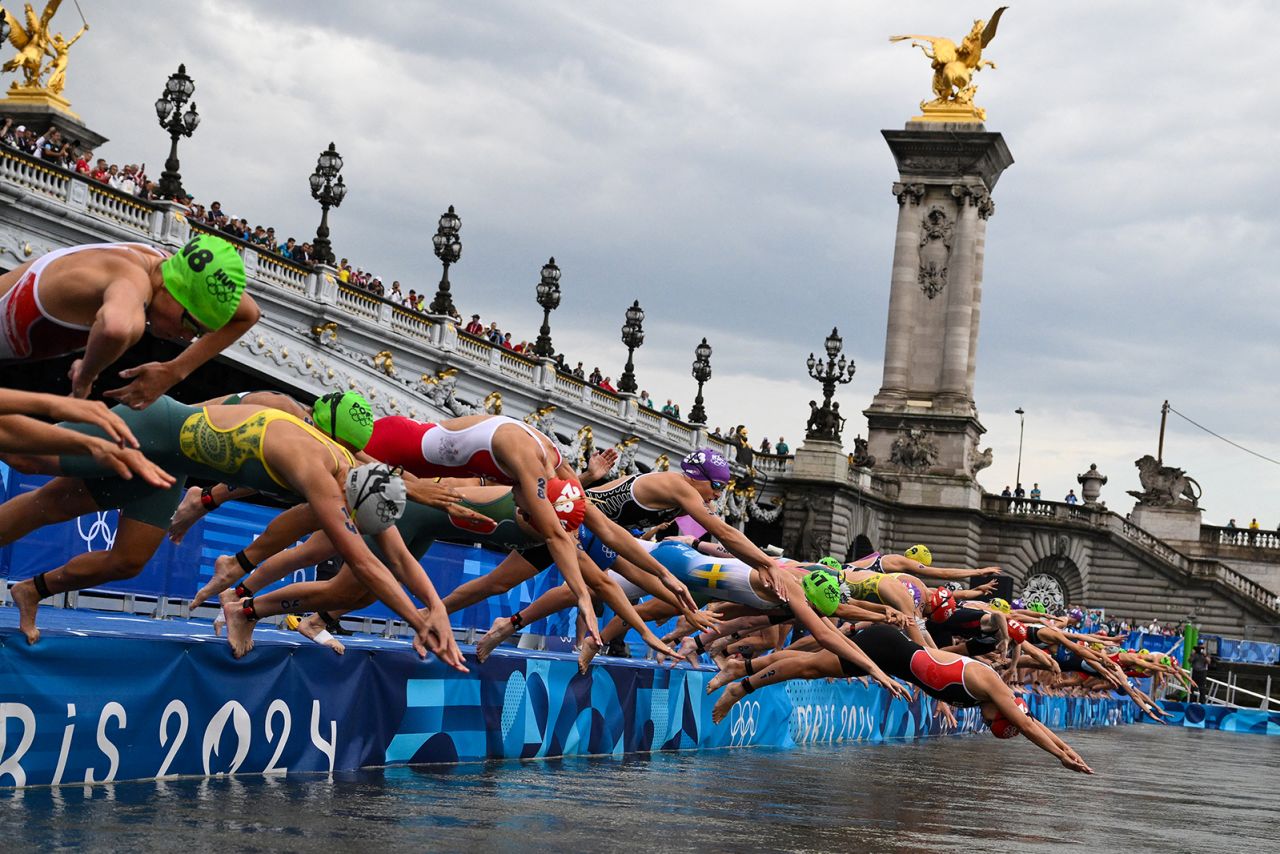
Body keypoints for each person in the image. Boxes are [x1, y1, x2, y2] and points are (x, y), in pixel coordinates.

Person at [0, 397, 462, 667]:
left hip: (169, 464)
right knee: (27, 462)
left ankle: (31, 590)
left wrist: (434, 608)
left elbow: (396, 556)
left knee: (126, 561)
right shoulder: (318, 472)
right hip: (150, 428)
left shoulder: (355, 471)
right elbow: (363, 562)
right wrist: (417, 620)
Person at [708, 623, 1093, 774]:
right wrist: (1060, 757)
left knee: (809, 664)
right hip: (886, 645)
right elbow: (1026, 725)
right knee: (810, 666)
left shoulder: (997, 701)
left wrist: (1069, 750)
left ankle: (742, 670)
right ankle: (739, 686)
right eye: (995, 721)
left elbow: (1030, 721)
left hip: (892, 656)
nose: (988, 718)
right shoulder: (991, 686)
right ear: (1002, 714)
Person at [0, 234, 258, 408]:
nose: (187, 338)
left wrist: (174, 371)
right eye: (191, 325)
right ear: (173, 291)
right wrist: (85, 376)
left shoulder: (163, 263)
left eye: (199, 333)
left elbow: (248, 313)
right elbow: (116, 328)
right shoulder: (134, 281)